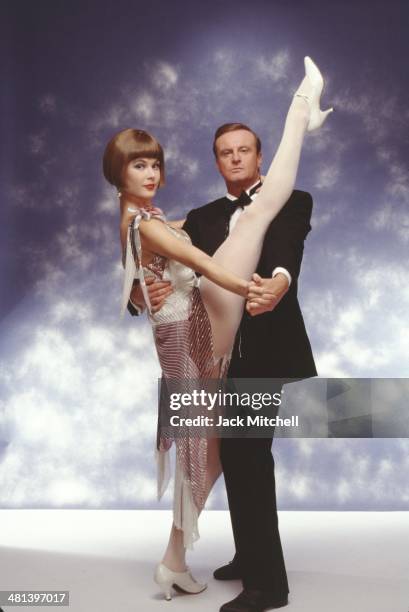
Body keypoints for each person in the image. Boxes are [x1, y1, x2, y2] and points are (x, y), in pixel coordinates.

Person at [107, 56, 332, 609]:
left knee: (241, 456)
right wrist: (142, 293)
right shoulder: (200, 216)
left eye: (244, 150)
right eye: (225, 153)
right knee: (217, 457)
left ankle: (266, 583)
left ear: (258, 157)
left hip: (261, 347)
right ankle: (237, 559)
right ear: (216, 161)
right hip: (203, 345)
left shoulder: (292, 201)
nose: (235, 158)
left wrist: (277, 280)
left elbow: (284, 250)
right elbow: (152, 256)